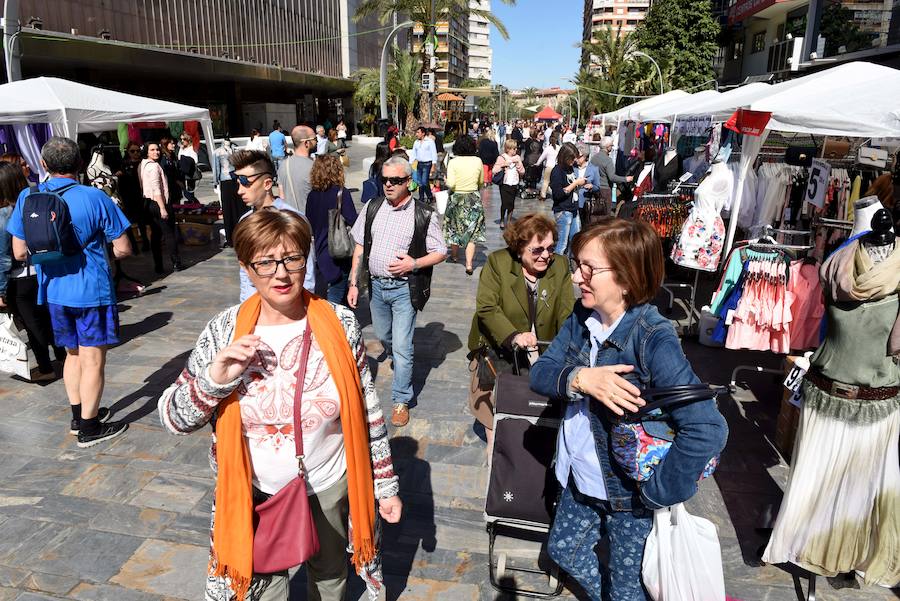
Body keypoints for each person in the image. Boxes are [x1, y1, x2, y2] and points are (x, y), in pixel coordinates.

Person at [157, 209, 402, 601]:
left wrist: (385, 486)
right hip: (256, 490)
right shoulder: (225, 329)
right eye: (266, 262)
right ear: (246, 267)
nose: (282, 274)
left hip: (328, 483)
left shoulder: (340, 323)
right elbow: (172, 418)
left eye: (292, 258)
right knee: (263, 588)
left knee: (330, 576)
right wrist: (215, 382)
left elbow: (368, 410)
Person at [530, 218, 728, 600]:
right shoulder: (580, 318)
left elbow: (707, 428)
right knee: (563, 550)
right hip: (579, 478)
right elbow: (541, 373)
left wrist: (657, 494)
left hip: (629, 500)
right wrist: (581, 379)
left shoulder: (653, 338)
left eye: (590, 269)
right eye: (577, 265)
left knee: (628, 593)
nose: (576, 277)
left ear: (626, 277)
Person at [6, 137, 133, 446]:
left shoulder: (28, 196)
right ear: (79, 164)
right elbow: (124, 248)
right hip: (92, 291)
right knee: (93, 360)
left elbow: (20, 252)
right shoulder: (96, 197)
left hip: (53, 292)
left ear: (45, 165)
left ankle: (79, 416)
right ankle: (90, 428)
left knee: (72, 356)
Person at [347, 156, 447, 427]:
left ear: (409, 182)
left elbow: (440, 251)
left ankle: (401, 399)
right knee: (383, 335)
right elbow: (359, 248)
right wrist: (354, 283)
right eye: (385, 180)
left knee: (403, 348)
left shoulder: (424, 213)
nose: (389, 185)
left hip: (405, 289)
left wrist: (414, 263)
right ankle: (395, 357)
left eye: (396, 180)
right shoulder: (372, 207)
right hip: (377, 288)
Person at [467, 213, 574, 449]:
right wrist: (514, 335)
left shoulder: (561, 265)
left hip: (542, 351)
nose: (546, 255)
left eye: (550, 248)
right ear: (519, 248)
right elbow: (487, 308)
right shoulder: (498, 263)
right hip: (499, 350)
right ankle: (499, 464)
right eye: (537, 250)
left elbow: (567, 311)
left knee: (533, 412)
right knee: (495, 411)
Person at [0, 161, 65, 381]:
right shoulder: (33, 202)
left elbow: (5, 257)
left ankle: (46, 369)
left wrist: (0, 290)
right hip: (42, 269)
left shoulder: (4, 214)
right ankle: (62, 357)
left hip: (19, 277)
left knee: (32, 324)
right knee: (47, 316)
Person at [232, 150, 315, 301]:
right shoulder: (245, 221)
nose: (239, 191)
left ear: (267, 183)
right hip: (257, 308)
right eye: (237, 183)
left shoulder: (293, 219)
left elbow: (306, 272)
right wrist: (245, 306)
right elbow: (245, 275)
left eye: (245, 183)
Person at [305, 155, 358, 304]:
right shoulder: (341, 193)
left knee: (326, 289)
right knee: (336, 293)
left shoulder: (311, 196)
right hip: (339, 250)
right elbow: (353, 219)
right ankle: (334, 322)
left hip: (320, 249)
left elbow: (309, 221)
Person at [444, 136, 485, 275]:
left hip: (457, 198)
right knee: (472, 232)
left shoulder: (453, 162)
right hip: (473, 198)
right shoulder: (478, 161)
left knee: (454, 229)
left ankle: (455, 256)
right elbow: (481, 182)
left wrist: (445, 180)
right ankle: (468, 264)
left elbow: (451, 184)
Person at [140, 142, 183, 273]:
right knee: (169, 233)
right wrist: (162, 208)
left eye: (157, 150)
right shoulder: (153, 167)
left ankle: (158, 265)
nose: (156, 152)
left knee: (156, 234)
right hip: (158, 202)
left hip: (149, 203)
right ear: (147, 152)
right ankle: (176, 263)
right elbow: (156, 188)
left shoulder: (143, 164)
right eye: (152, 150)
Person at [550, 143, 585, 256]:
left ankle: (571, 268)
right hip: (563, 210)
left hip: (573, 209)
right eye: (572, 157)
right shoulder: (557, 171)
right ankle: (557, 269)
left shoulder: (570, 168)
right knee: (562, 244)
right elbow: (558, 194)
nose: (574, 160)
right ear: (565, 157)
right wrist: (575, 183)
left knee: (574, 242)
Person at [117, 142, 150, 252]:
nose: (135, 153)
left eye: (137, 151)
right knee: (128, 222)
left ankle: (145, 242)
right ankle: (133, 245)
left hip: (140, 196)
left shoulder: (143, 163)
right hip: (127, 197)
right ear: (128, 152)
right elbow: (120, 183)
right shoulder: (124, 164)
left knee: (141, 221)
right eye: (132, 151)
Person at [214, 137, 247, 247]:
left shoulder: (235, 149)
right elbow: (216, 167)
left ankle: (241, 233)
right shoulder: (218, 152)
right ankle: (230, 237)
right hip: (225, 179)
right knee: (228, 208)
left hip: (236, 179)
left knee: (239, 207)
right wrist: (216, 181)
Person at [277, 125, 316, 213]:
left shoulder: (284, 164)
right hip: (310, 221)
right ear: (306, 143)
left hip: (292, 220)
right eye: (314, 139)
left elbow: (281, 196)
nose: (316, 142)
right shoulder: (315, 167)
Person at [589, 136, 632, 213]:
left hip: (594, 189)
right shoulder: (608, 160)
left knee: (595, 213)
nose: (612, 148)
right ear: (608, 146)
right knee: (605, 215)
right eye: (611, 145)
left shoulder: (594, 158)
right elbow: (612, 177)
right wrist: (626, 179)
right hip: (605, 190)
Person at [492, 139, 525, 229]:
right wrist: (503, 165)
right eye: (513, 149)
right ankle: (502, 220)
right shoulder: (501, 157)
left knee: (511, 203)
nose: (515, 150)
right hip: (504, 184)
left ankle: (509, 221)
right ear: (508, 149)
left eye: (515, 148)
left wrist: (518, 164)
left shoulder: (517, 158)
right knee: (504, 203)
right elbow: (494, 170)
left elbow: (522, 171)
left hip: (514, 183)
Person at [574, 143, 604, 228]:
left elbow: (597, 187)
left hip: (585, 203)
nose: (576, 159)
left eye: (579, 157)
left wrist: (591, 186)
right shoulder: (572, 167)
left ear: (585, 156)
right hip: (572, 202)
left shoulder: (593, 169)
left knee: (584, 225)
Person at [411, 127, 437, 203]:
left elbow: (434, 153)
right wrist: (410, 163)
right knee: (420, 182)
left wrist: (433, 165)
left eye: (418, 132)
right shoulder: (416, 142)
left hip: (427, 164)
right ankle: (421, 198)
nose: (417, 134)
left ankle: (429, 196)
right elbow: (413, 153)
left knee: (424, 182)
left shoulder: (429, 141)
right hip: (419, 164)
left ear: (423, 133)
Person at [159, 135, 184, 205]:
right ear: (165, 145)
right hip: (170, 187)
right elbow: (166, 173)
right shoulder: (163, 158)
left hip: (176, 188)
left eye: (174, 143)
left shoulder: (172, 155)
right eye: (171, 144)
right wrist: (177, 181)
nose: (174, 145)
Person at [536, 131, 560, 201]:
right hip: (556, 167)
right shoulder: (559, 148)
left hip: (549, 167)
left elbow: (542, 157)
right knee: (556, 182)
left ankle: (543, 195)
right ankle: (556, 195)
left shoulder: (547, 148)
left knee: (546, 181)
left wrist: (537, 163)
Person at [177, 133, 200, 202]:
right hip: (182, 173)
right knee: (186, 193)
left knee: (188, 194)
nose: (182, 141)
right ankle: (193, 205)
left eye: (184, 139)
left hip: (189, 174)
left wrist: (186, 161)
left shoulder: (192, 148)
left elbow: (195, 160)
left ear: (188, 140)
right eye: (181, 139)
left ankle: (197, 204)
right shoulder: (182, 148)